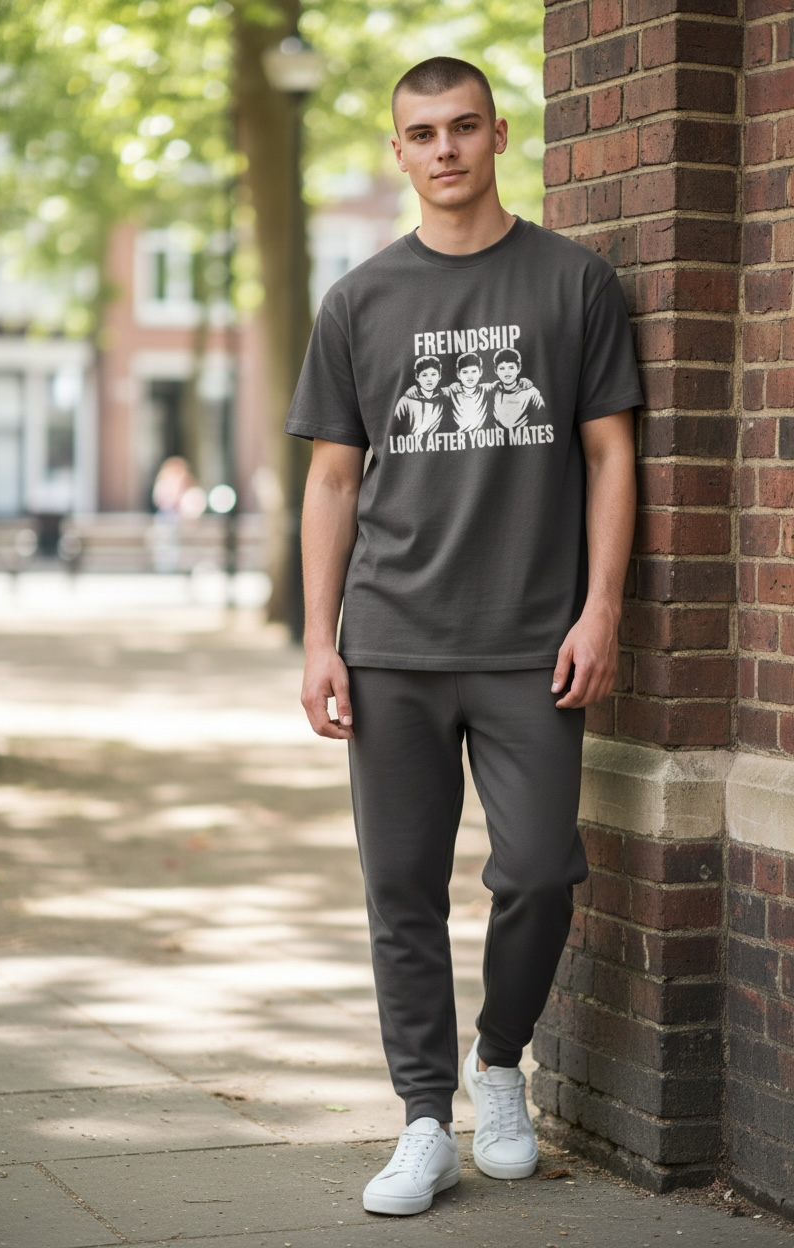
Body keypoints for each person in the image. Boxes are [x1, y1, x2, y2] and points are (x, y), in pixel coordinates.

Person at [285, 55, 642, 1218]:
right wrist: (319, 639)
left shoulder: (573, 282)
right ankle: (423, 1120)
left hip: (531, 642)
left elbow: (609, 456)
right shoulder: (359, 301)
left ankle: (500, 1064)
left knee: (537, 870)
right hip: (391, 641)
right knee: (400, 888)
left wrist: (600, 608)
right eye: (423, 133)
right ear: (398, 152)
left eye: (464, 127)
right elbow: (333, 481)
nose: (445, 149)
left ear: (498, 136)